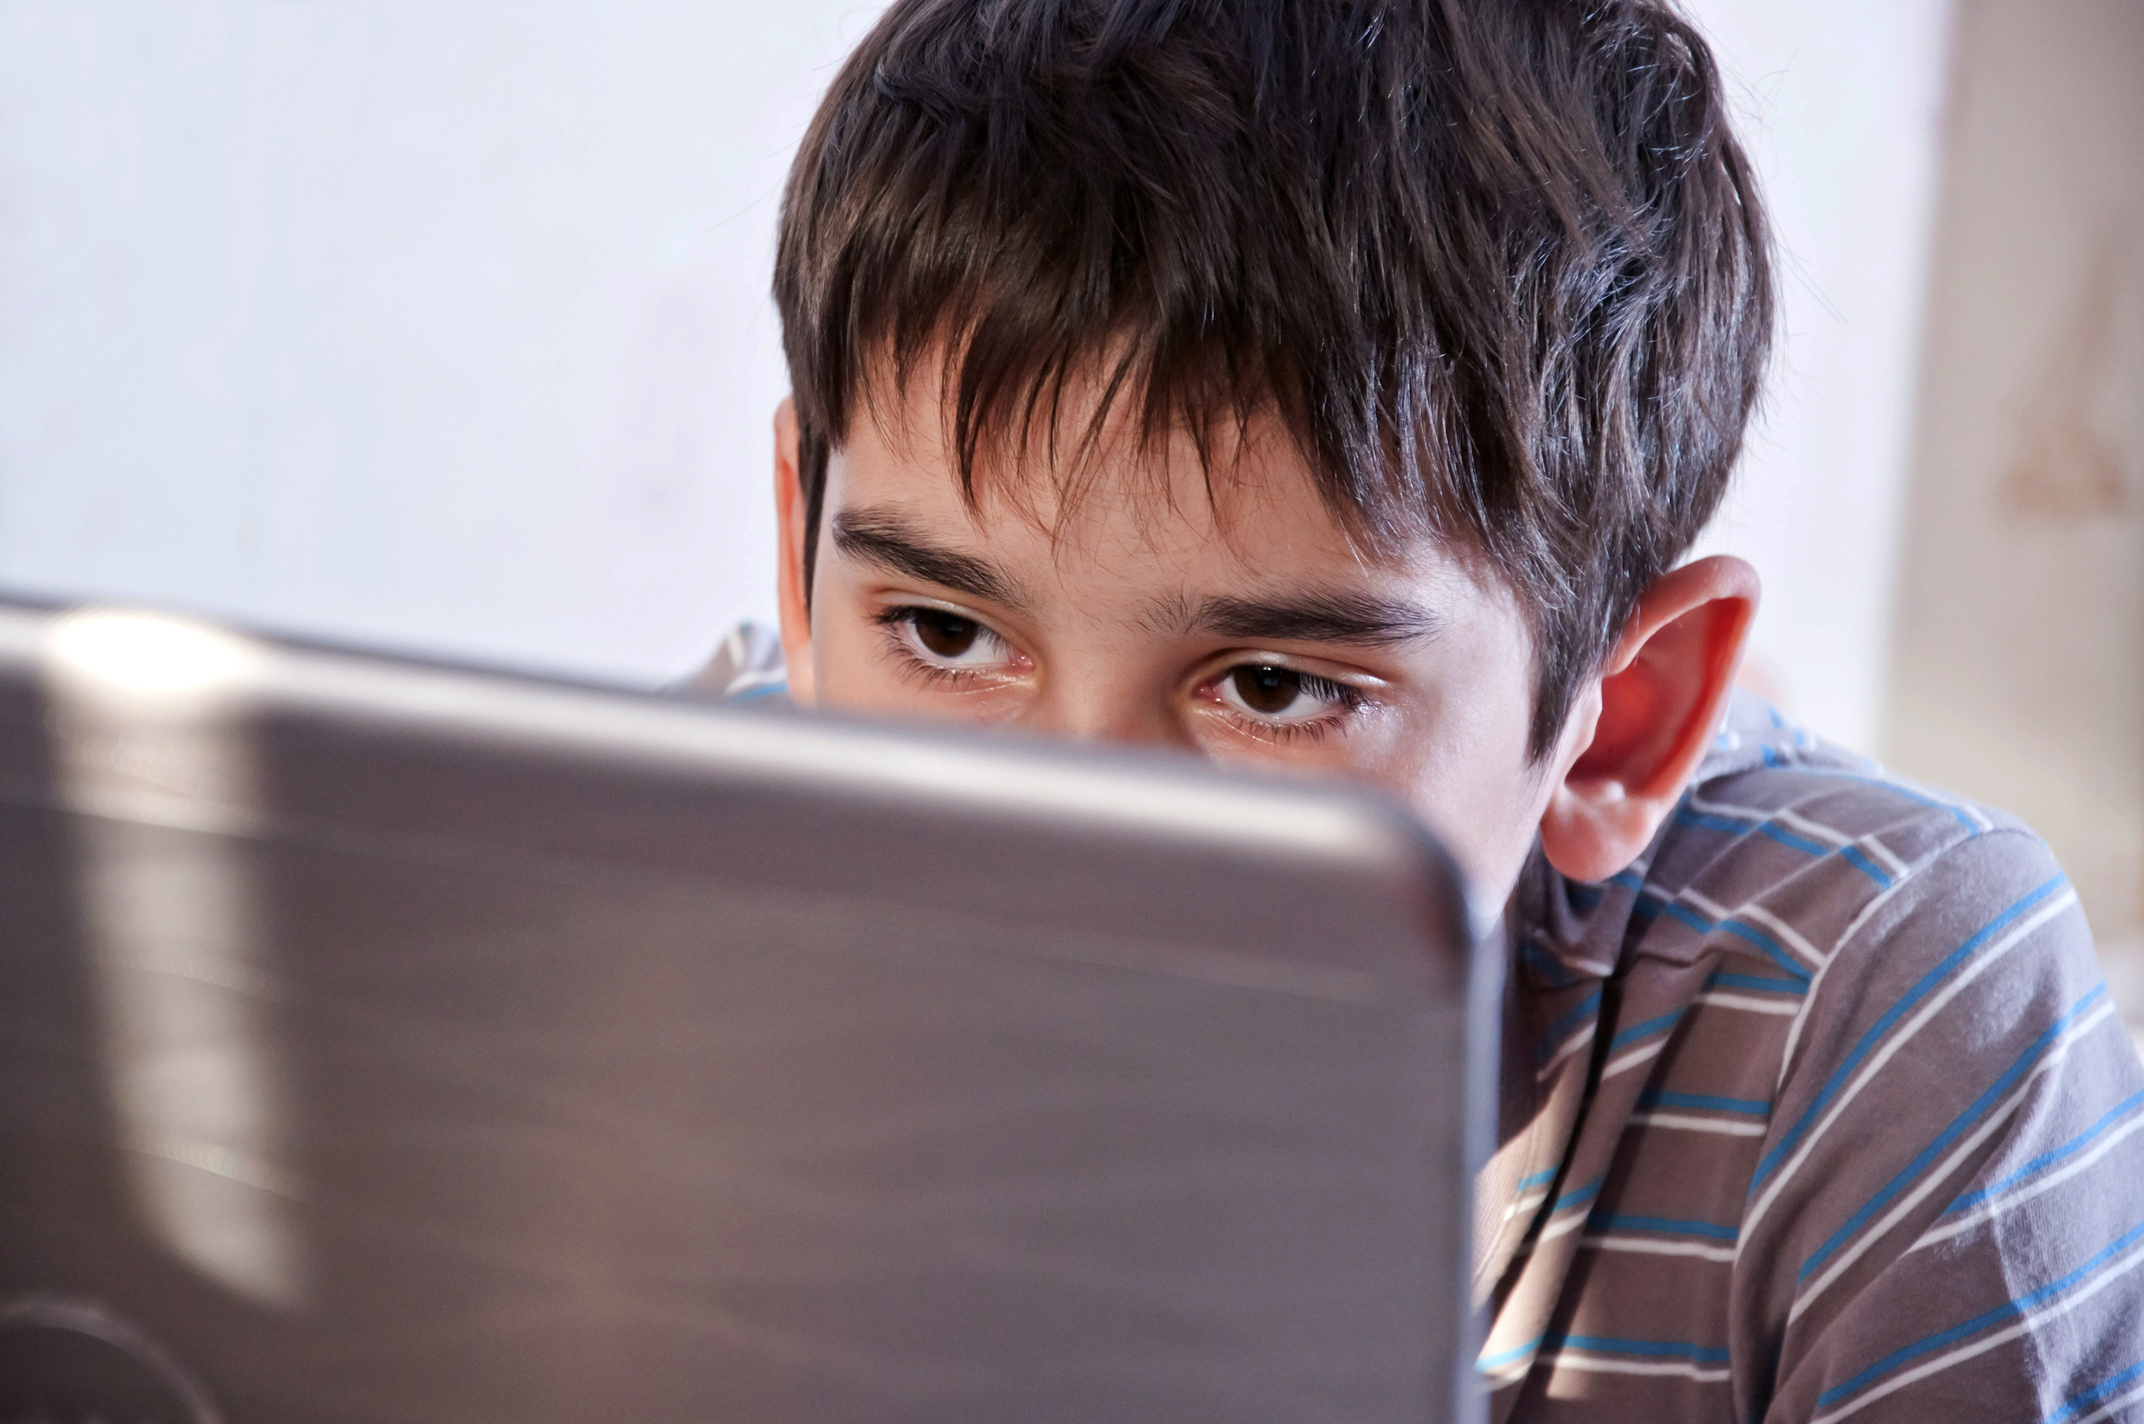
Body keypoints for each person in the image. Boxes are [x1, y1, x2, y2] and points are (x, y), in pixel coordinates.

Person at [692, 0, 2144, 1417]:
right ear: (799, 560)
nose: (1064, 869)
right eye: (944, 632)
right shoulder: (633, 887)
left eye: (1274, 687)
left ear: (1618, 719)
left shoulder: (1881, 1014)